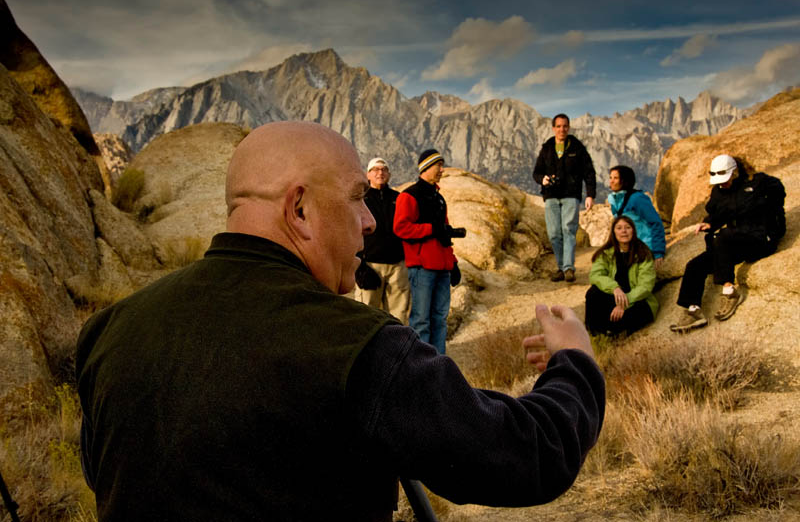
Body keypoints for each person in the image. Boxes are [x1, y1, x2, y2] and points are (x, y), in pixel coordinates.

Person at [76, 121, 605, 521]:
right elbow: (533, 453)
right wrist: (574, 361)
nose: (370, 220)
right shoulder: (359, 348)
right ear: (299, 210)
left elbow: (107, 475)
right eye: (356, 198)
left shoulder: (110, 331)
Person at [670, 154, 785, 333]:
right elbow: (718, 214)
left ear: (735, 173)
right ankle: (693, 311)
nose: (722, 184)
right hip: (734, 243)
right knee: (694, 265)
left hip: (760, 239)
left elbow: (779, 192)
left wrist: (772, 220)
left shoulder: (757, 182)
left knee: (723, 237)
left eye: (725, 180)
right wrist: (709, 223)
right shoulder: (719, 192)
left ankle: (730, 292)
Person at [393, 149, 465, 354]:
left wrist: (453, 263)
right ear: (426, 167)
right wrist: (431, 229)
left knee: (440, 319)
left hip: (442, 267)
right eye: (438, 166)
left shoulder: (439, 198)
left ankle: (438, 361)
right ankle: (421, 363)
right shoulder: (409, 196)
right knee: (421, 320)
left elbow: (444, 233)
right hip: (422, 268)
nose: (442, 170)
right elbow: (401, 228)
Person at [533, 113, 596, 283]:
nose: (562, 129)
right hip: (551, 195)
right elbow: (536, 172)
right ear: (553, 128)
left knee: (568, 229)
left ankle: (568, 268)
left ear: (569, 127)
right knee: (554, 233)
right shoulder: (547, 148)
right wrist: (543, 179)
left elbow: (589, 172)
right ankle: (561, 267)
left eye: (565, 126)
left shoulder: (577, 148)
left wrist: (590, 195)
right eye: (559, 126)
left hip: (571, 195)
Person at [354, 157, 410, 323]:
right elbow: (353, 231)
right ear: (368, 175)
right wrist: (359, 267)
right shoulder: (360, 199)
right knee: (366, 315)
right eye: (375, 170)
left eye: (384, 169)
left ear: (389, 174)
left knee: (398, 316)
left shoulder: (398, 198)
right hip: (370, 265)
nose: (380, 173)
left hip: (397, 267)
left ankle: (397, 341)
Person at [585, 215, 658, 336]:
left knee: (637, 313)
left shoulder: (644, 254)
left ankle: (615, 330)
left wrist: (623, 304)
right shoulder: (605, 254)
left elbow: (645, 286)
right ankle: (597, 333)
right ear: (613, 232)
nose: (624, 231)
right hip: (614, 296)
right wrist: (614, 288)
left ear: (633, 231)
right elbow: (595, 275)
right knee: (593, 293)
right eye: (619, 228)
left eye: (627, 227)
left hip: (636, 299)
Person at [607, 165, 666, 269]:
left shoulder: (638, 199)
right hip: (628, 248)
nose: (611, 181)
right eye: (610, 177)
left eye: (615, 178)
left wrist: (658, 252)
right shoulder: (614, 200)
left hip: (644, 247)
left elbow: (655, 223)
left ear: (624, 180)